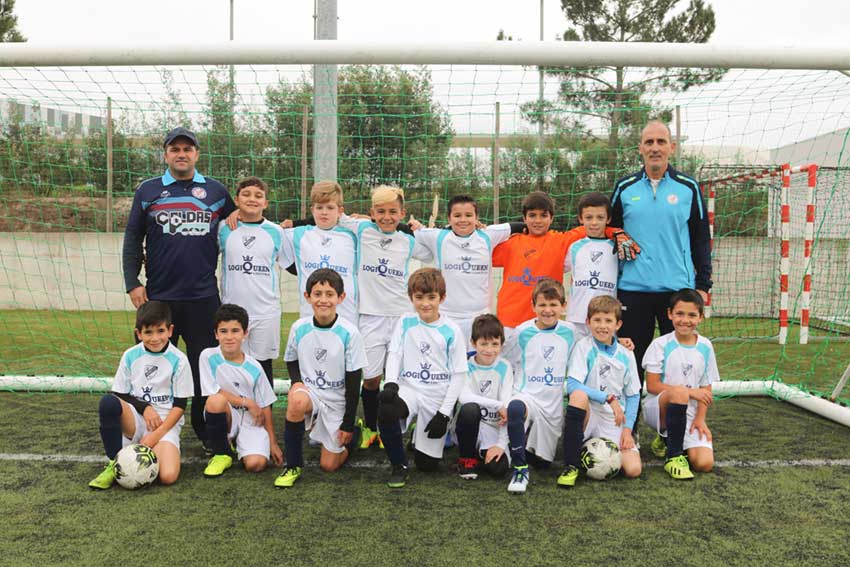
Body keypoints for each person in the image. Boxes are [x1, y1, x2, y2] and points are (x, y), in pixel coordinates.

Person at [122, 127, 236, 447]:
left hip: (203, 298)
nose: (181, 154)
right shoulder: (148, 190)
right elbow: (133, 238)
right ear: (166, 154)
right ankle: (147, 432)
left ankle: (206, 433)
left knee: (204, 371)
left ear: (197, 154)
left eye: (187, 149)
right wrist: (132, 283)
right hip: (159, 298)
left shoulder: (215, 191)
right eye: (175, 149)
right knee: (150, 367)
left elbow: (244, 219)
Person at [611, 120, 712, 384]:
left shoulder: (689, 187)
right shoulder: (625, 188)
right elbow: (609, 229)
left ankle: (677, 412)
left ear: (671, 147)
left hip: (677, 290)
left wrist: (703, 285)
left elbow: (701, 239)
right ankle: (630, 413)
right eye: (649, 142)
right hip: (633, 289)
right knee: (631, 363)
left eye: (661, 142)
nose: (655, 148)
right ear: (640, 148)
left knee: (678, 365)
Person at [333, 186, 432, 450]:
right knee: (371, 378)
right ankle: (371, 428)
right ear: (372, 212)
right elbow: (333, 213)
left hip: (401, 317)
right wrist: (293, 224)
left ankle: (403, 424)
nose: (386, 217)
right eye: (380, 211)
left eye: (392, 211)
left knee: (401, 375)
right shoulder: (362, 229)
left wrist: (420, 229)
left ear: (402, 213)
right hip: (370, 316)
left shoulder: (408, 240)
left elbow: (433, 251)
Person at [493, 191, 637, 371]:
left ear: (552, 218)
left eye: (543, 215)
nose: (538, 220)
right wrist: (510, 227)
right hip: (510, 322)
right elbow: (482, 247)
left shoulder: (562, 241)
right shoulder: (511, 243)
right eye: (532, 215)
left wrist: (614, 231)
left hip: (545, 320)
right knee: (505, 371)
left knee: (543, 369)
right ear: (524, 218)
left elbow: (592, 226)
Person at [274, 269, 367, 488]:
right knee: (296, 400)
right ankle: (293, 466)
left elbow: (354, 383)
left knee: (329, 465)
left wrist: (347, 424)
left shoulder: (350, 333)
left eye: (329, 294)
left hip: (337, 403)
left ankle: (355, 434)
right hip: (312, 395)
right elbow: (291, 360)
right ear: (307, 297)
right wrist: (297, 382)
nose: (323, 300)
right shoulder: (299, 328)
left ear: (340, 298)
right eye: (317, 294)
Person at [377, 268, 468, 488]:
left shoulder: (452, 330)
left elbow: (459, 375)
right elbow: (395, 353)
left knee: (427, 465)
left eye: (431, 297)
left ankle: (418, 438)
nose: (425, 304)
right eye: (419, 297)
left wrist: (444, 414)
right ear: (411, 298)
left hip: (437, 396)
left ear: (442, 298)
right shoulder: (405, 322)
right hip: (410, 390)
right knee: (386, 408)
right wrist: (391, 384)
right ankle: (399, 465)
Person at [88, 301, 193, 489]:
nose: (155, 338)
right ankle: (113, 463)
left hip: (164, 423)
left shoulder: (179, 360)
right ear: (139, 334)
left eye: (160, 331)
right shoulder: (130, 355)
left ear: (170, 331)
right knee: (108, 403)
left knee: (168, 476)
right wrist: (145, 408)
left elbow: (180, 405)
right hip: (135, 419)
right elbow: (119, 393)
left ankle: (154, 449)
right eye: (148, 332)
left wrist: (156, 435)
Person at [410, 195, 520, 345]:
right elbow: (409, 230)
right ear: (449, 219)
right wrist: (413, 224)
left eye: (468, 215)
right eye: (457, 216)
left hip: (480, 317)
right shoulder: (438, 236)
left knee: (478, 358)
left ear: (476, 218)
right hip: (447, 316)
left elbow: (517, 226)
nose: (463, 220)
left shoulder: (488, 235)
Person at [557, 295, 642, 488]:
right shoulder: (583, 347)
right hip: (590, 413)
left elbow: (633, 395)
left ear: (618, 324)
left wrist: (627, 430)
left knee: (633, 469)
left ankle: (594, 446)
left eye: (608, 321)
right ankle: (571, 465)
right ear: (588, 322)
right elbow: (573, 385)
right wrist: (608, 398)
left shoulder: (626, 354)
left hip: (614, 419)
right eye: (597, 320)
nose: (602, 326)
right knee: (578, 396)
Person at [504, 278, 578, 494]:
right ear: (533, 306)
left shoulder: (571, 332)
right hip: (526, 396)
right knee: (515, 407)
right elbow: (505, 361)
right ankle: (520, 469)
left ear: (563, 306)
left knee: (542, 463)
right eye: (542, 304)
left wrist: (620, 342)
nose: (548, 310)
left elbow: (590, 347)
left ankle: (519, 442)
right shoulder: (521, 332)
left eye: (553, 304)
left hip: (552, 407)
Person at [199, 304, 283, 477]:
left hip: (250, 420)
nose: (229, 337)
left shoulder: (254, 366)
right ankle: (222, 453)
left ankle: (241, 442)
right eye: (223, 331)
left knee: (256, 464)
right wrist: (247, 402)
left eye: (235, 331)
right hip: (227, 414)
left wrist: (273, 443)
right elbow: (213, 391)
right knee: (215, 401)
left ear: (245, 333)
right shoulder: (207, 356)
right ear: (216, 334)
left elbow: (265, 405)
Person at [643, 289, 717, 480]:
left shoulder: (705, 346)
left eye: (692, 315)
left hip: (690, 410)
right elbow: (652, 385)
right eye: (680, 314)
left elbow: (706, 388)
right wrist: (689, 392)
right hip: (658, 407)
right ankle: (673, 455)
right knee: (679, 393)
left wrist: (700, 419)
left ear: (701, 317)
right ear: (670, 314)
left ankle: (667, 439)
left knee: (704, 463)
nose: (685, 320)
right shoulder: (660, 344)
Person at [217, 177, 285, 385]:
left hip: (266, 312)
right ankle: (235, 406)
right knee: (232, 365)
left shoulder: (276, 231)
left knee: (262, 366)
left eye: (258, 196)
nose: (252, 199)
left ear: (266, 203)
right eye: (246, 194)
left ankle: (264, 407)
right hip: (232, 310)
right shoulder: (223, 228)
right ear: (236, 200)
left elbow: (290, 262)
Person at [279, 181, 359, 327]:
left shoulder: (354, 237)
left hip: (346, 318)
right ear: (312, 210)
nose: (324, 212)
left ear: (340, 211)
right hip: (310, 318)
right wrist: (238, 214)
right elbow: (263, 233)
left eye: (330, 207)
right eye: (319, 207)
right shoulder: (297, 235)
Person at [454, 314, 513, 481]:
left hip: (494, 427)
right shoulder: (466, 365)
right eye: (484, 344)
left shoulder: (505, 367)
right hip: (471, 423)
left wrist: (500, 445)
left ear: (502, 344)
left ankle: (482, 452)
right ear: (473, 343)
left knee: (498, 469)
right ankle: (467, 459)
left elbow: (506, 409)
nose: (489, 350)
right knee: (470, 409)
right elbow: (463, 396)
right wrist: (497, 405)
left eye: (495, 344)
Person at [564, 192, 621, 340]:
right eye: (589, 217)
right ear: (580, 219)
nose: (594, 222)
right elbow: (559, 269)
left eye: (600, 217)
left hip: (605, 318)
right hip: (577, 316)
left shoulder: (617, 248)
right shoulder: (574, 247)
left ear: (608, 219)